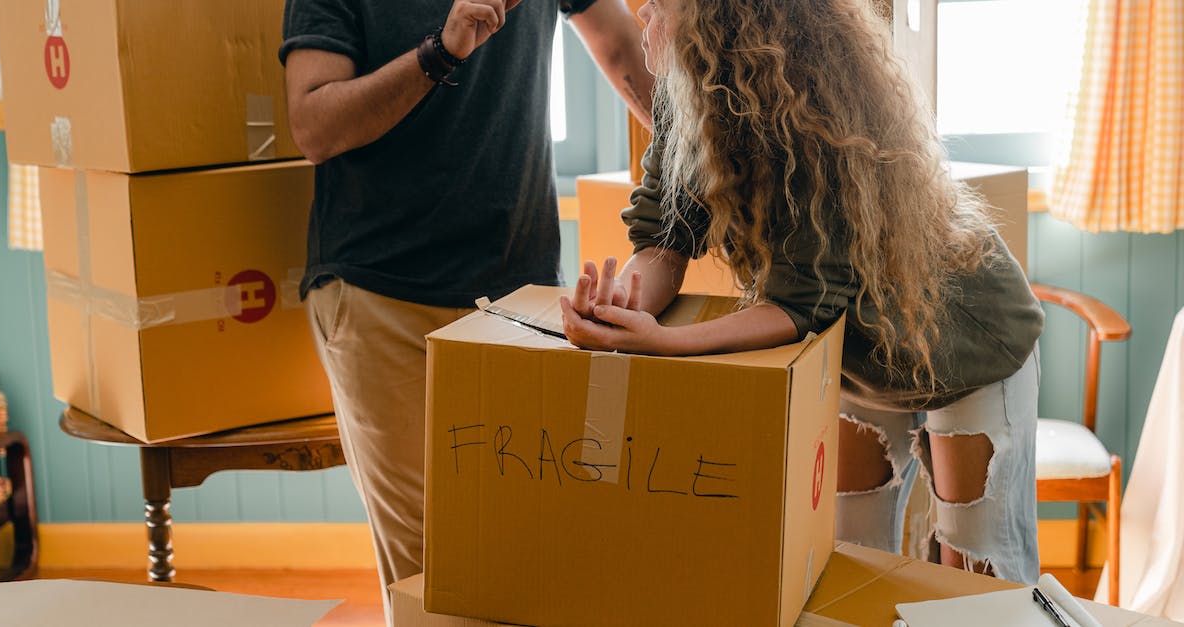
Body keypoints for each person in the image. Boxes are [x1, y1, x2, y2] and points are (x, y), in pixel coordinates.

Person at [560, 0, 1045, 584]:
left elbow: (803, 303)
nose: (642, 14)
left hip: (964, 337)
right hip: (859, 348)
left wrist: (668, 343)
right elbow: (665, 240)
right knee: (847, 559)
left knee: (979, 571)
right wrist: (624, 304)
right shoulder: (684, 92)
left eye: (661, 3)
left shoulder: (808, 109)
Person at [279, 0, 655, 617]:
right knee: (438, 571)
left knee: (532, 551)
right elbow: (314, 126)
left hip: (520, 293)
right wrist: (440, 52)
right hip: (383, 292)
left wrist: (710, 159)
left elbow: (619, 47)